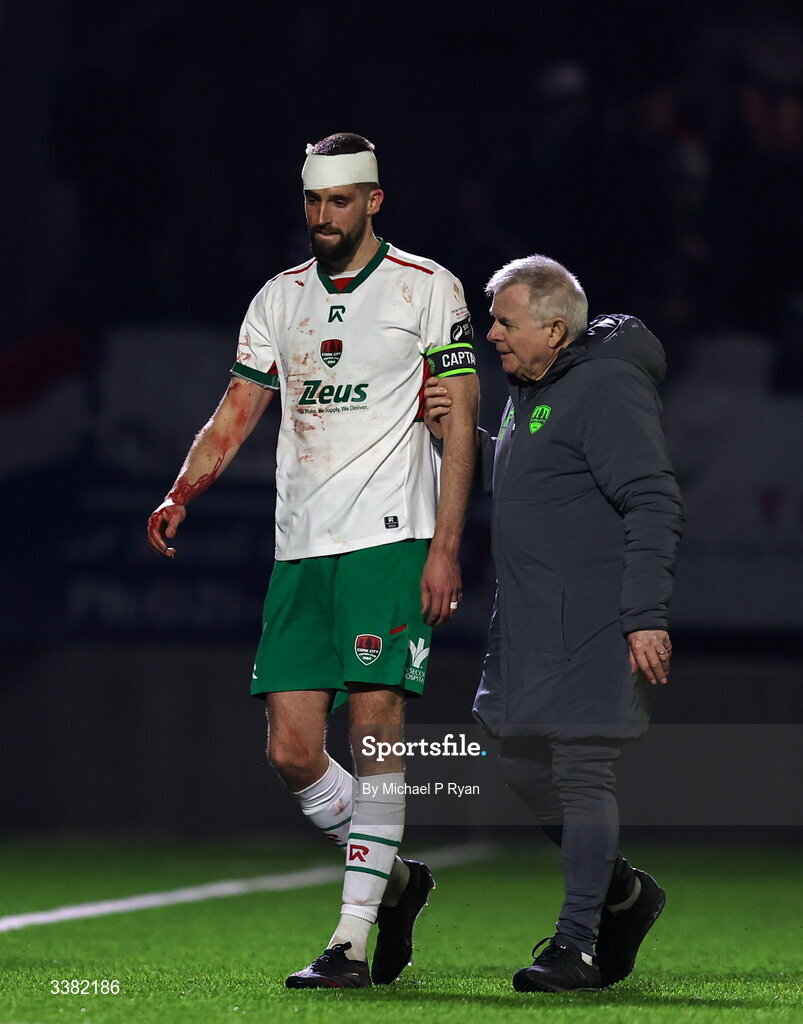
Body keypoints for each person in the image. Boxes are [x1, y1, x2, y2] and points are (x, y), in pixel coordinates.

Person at [147, 133, 479, 989]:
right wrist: (183, 490)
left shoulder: (426, 286)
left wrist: (445, 547)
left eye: (339, 201)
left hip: (389, 536)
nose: (323, 217)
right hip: (299, 548)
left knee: (374, 731)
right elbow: (237, 407)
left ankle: (351, 938)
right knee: (293, 751)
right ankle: (398, 880)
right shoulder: (278, 298)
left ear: (373, 199)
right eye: (312, 202)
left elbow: (461, 421)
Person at [426, 254, 683, 993]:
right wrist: (463, 439)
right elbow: (536, 478)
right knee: (515, 760)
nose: (491, 334)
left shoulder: (605, 384)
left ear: (552, 326)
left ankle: (576, 945)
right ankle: (626, 897)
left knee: (578, 770)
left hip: (594, 620)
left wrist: (642, 615)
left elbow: (653, 501)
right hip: (528, 623)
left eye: (504, 322)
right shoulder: (534, 386)